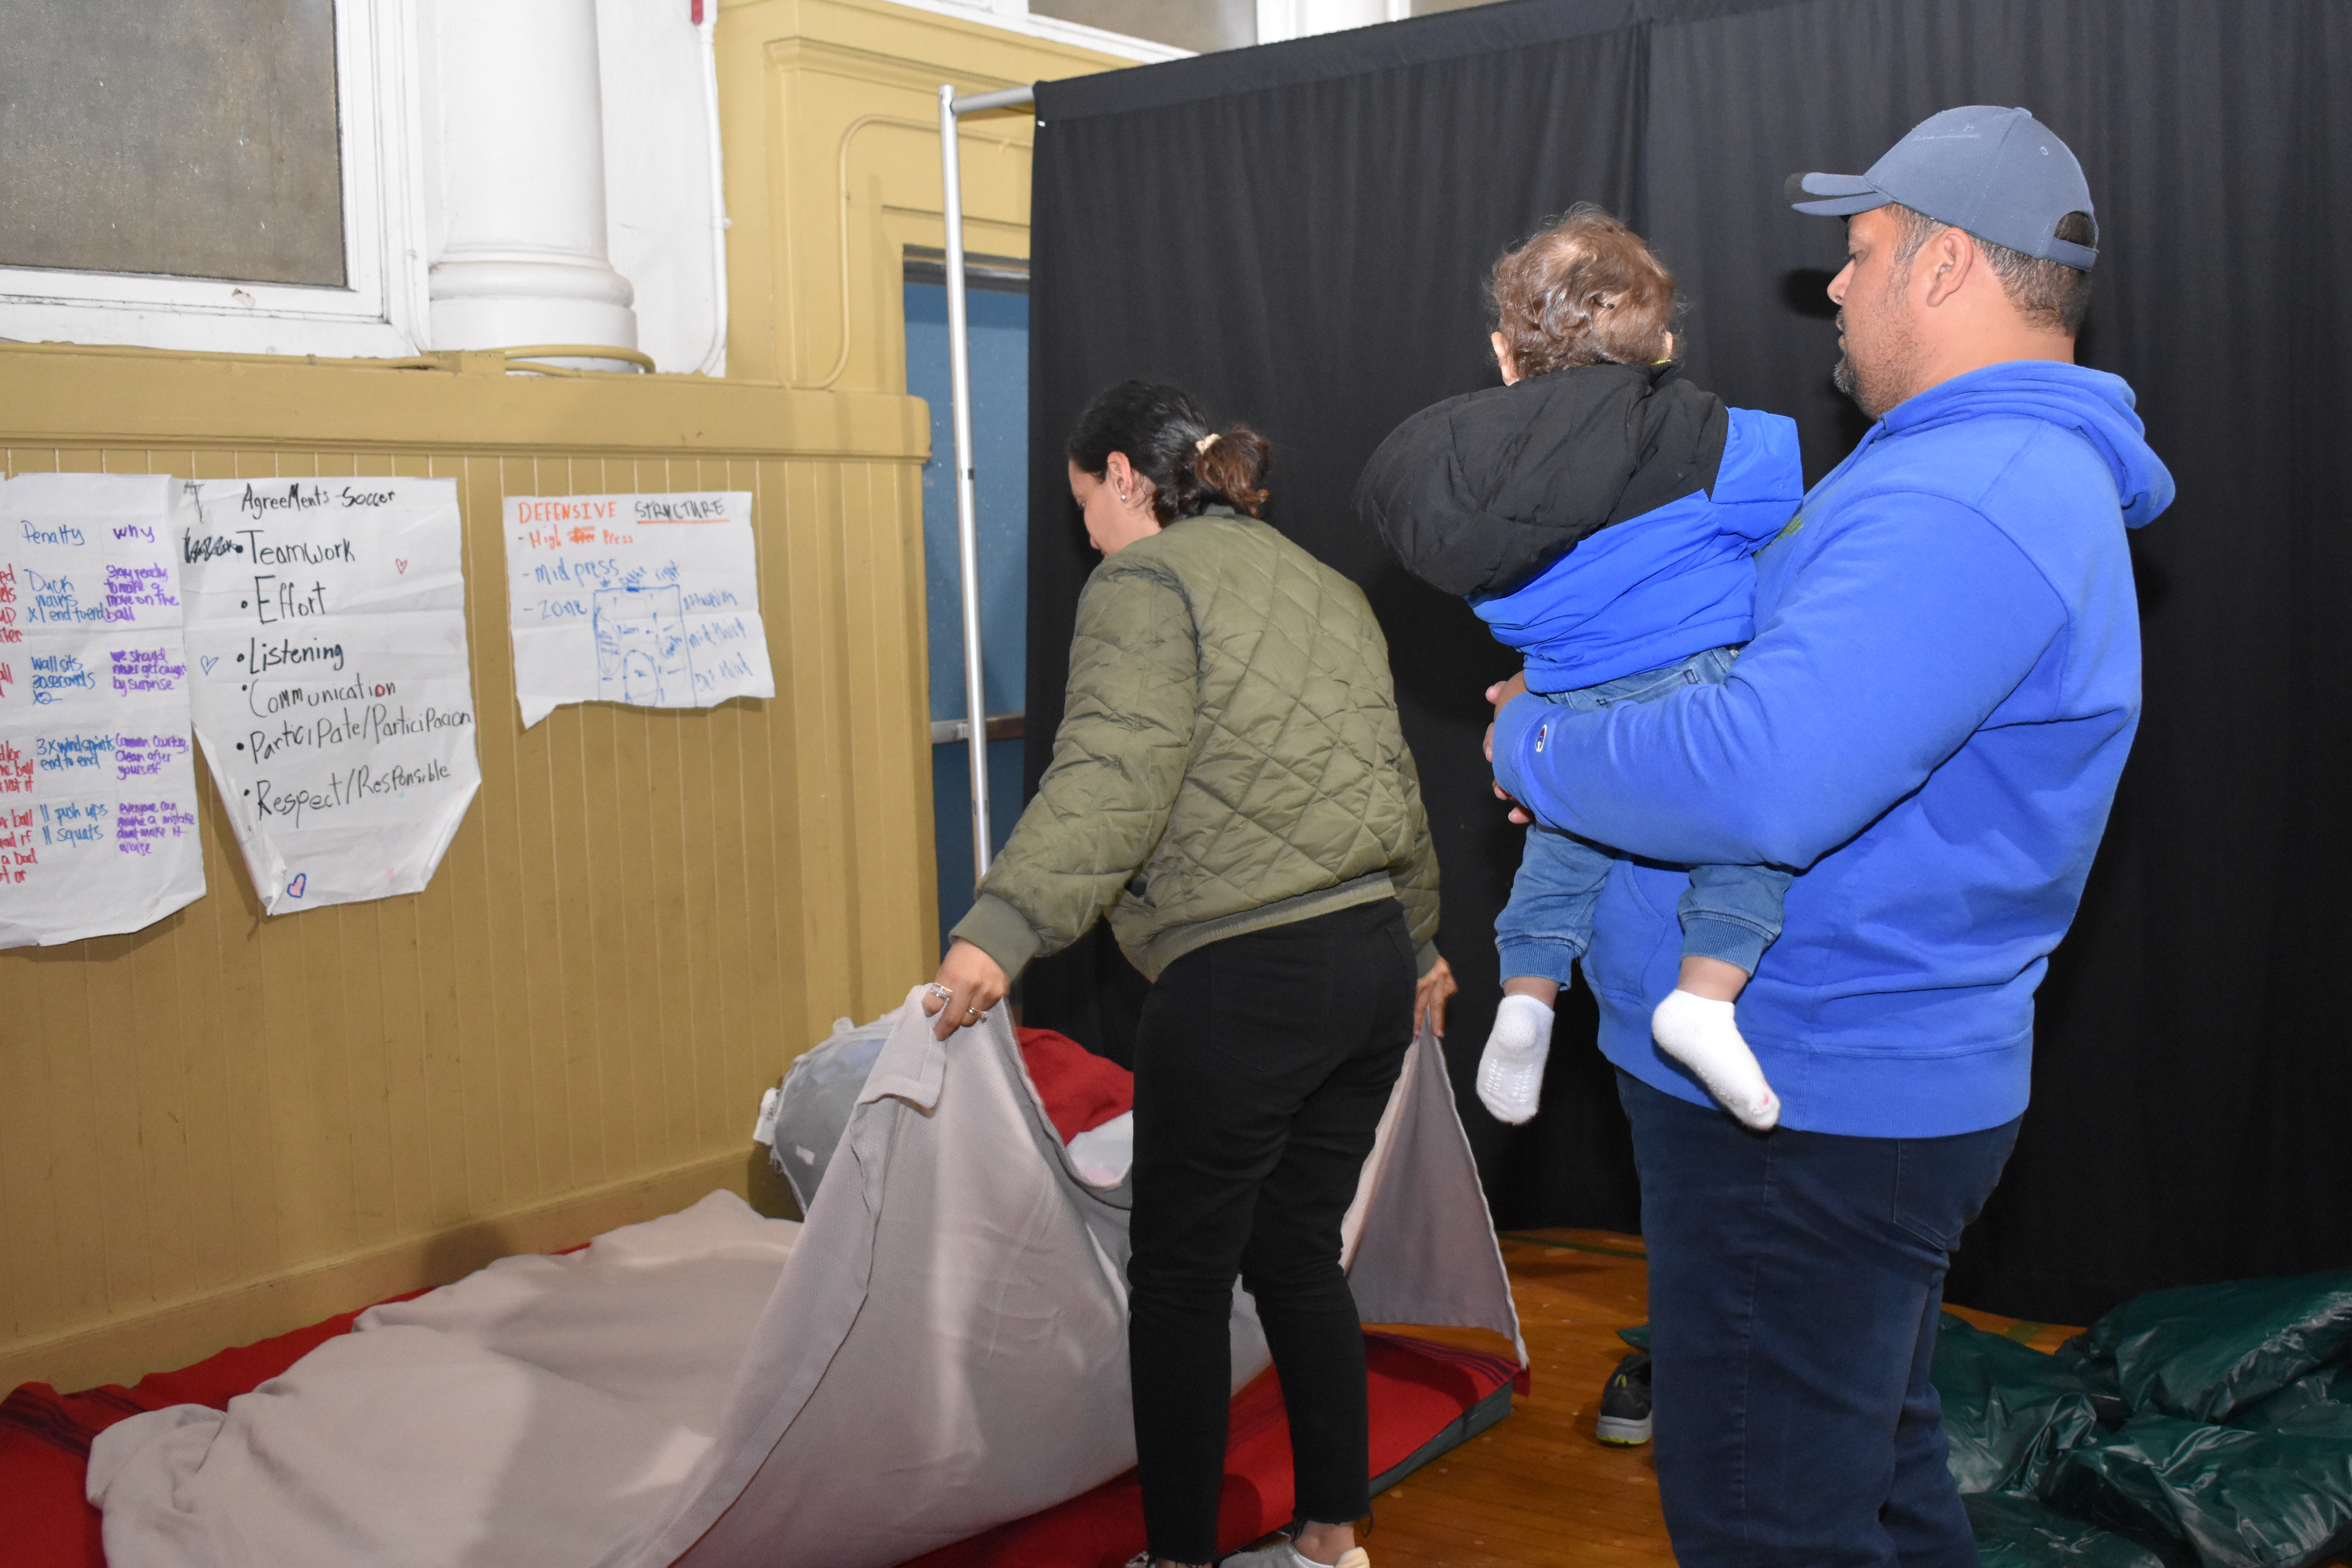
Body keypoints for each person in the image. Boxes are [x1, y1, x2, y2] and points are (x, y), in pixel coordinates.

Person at [1485, 107, 2173, 1564]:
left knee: (1768, 1525)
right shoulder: (1956, 474)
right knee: (1873, 1473)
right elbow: (1761, 706)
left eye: (1858, 257)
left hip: (1806, 1107)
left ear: (1942, 270)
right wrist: (1597, 744)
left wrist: (1536, 747)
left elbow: (1759, 776)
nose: (1836, 291)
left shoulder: (1969, 495)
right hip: (1833, 1097)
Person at [923, 380, 1456, 1568]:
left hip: (1246, 975)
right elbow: (1388, 775)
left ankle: (1178, 1559)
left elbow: (1113, 772)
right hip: (1369, 961)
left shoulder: (1145, 584)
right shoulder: (1318, 581)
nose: (1088, 535)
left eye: (1084, 506)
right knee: (1298, 1253)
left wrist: (1001, 927)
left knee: (1178, 1281)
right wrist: (1419, 939)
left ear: (1125, 477)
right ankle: (1332, 1538)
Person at [1357, 205, 1803, 1131]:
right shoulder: (1694, 426)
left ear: (1504, 354)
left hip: (1564, 691)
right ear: (1662, 345)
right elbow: (1779, 493)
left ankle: (1526, 997)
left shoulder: (1467, 476)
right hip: (1691, 683)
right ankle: (1707, 997)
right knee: (1748, 840)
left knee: (1563, 846)